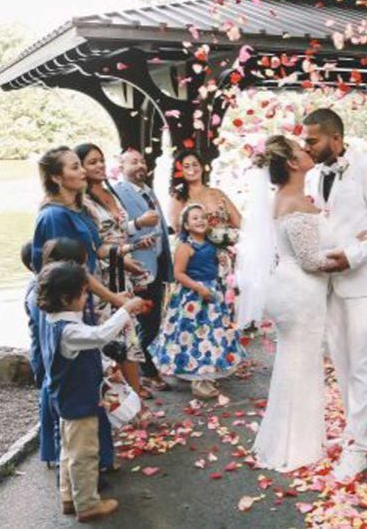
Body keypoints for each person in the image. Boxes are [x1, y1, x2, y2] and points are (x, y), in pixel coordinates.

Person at [302, 108, 367, 482]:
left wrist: (355, 254)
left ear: (336, 138)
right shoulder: (315, 176)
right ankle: (363, 431)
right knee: (342, 364)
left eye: (312, 140)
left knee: (361, 364)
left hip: (365, 284)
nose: (306, 146)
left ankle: (356, 447)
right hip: (329, 284)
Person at [244, 135, 340, 472]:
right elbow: (312, 261)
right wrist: (350, 256)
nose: (307, 150)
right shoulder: (296, 202)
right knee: (302, 363)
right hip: (301, 289)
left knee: (293, 362)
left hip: (287, 286)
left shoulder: (285, 198)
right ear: (292, 163)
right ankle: (297, 445)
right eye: (301, 149)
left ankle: (290, 438)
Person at [38, 260, 145, 522]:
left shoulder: (54, 321)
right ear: (66, 298)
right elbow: (100, 336)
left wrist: (107, 366)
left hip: (65, 399)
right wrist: (126, 309)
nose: (87, 298)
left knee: (68, 449)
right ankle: (87, 505)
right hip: (79, 402)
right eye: (84, 293)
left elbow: (88, 348)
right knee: (84, 454)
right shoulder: (68, 330)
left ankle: (68, 496)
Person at [75, 142, 156, 400]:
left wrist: (135, 240)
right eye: (91, 162)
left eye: (100, 160)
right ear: (80, 169)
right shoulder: (84, 202)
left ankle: (134, 392)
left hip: (124, 270)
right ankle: (121, 395)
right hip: (105, 274)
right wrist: (124, 257)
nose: (99, 165)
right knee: (113, 334)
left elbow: (120, 230)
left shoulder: (110, 191)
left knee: (128, 330)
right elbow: (94, 244)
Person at [148, 203, 247, 398]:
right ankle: (197, 379)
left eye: (202, 217)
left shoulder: (212, 243)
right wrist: (199, 288)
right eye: (194, 218)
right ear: (185, 225)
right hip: (192, 298)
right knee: (195, 336)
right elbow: (178, 274)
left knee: (213, 335)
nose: (200, 220)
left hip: (212, 293)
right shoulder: (185, 247)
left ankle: (207, 372)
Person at [112, 149, 174, 393]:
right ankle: (143, 371)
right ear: (121, 166)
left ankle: (141, 369)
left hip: (156, 264)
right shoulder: (117, 192)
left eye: (143, 161)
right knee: (144, 323)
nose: (140, 165)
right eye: (134, 162)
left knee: (153, 321)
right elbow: (113, 230)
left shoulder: (148, 191)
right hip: (136, 266)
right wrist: (137, 225)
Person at [168, 149, 242, 309]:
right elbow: (177, 228)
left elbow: (239, 222)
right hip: (198, 258)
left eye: (195, 164)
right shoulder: (179, 197)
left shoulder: (217, 193)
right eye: (186, 166)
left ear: (202, 167)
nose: (191, 169)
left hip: (226, 258)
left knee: (228, 304)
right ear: (180, 171)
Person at [22, 240, 59, 467]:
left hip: (42, 352)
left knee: (47, 395)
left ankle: (51, 451)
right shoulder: (39, 292)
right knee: (49, 396)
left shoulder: (36, 286)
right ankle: (52, 451)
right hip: (45, 354)